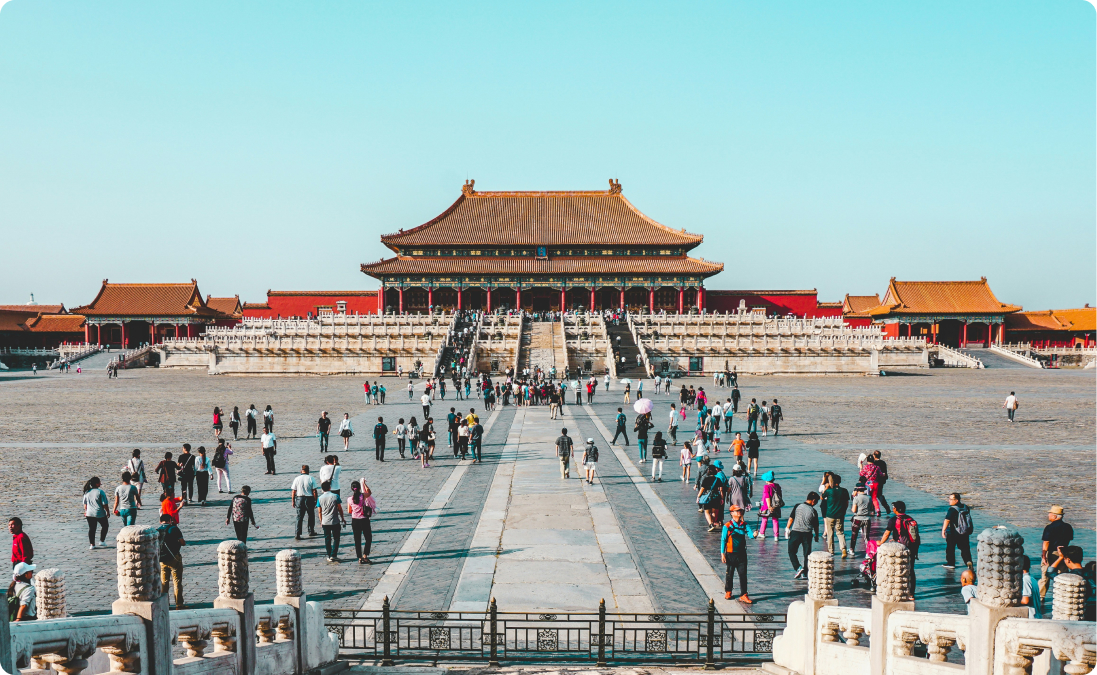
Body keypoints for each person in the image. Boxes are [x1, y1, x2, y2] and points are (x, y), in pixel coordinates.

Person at [878, 501, 920, 596]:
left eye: (894, 507)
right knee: (911, 569)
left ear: (896, 509)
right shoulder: (910, 518)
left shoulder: (893, 520)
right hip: (912, 547)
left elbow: (887, 533)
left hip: (900, 548)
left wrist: (881, 542)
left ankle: (898, 591)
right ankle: (912, 593)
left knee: (898, 569)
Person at [721, 505, 755, 603]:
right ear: (732, 513)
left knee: (743, 575)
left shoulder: (744, 524)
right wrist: (722, 553)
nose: (739, 512)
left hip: (742, 554)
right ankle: (728, 591)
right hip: (731, 554)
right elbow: (723, 540)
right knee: (730, 574)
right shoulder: (727, 526)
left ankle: (744, 594)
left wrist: (755, 534)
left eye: (740, 510)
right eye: (736, 511)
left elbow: (751, 536)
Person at [1039, 504, 1073, 601]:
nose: (1048, 515)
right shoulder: (1068, 527)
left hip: (1051, 553)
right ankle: (1064, 594)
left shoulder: (1049, 527)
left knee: (1045, 575)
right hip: (1063, 553)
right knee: (1063, 574)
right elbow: (1069, 540)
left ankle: (1041, 596)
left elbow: (1046, 542)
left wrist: (1044, 556)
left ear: (1054, 516)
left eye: (1050, 513)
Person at [787, 492, 820, 579]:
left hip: (796, 532)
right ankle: (805, 573)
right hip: (807, 534)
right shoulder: (814, 511)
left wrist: (787, 528)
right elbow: (816, 525)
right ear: (813, 501)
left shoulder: (798, 506)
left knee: (791, 551)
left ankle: (798, 567)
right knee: (807, 554)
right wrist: (816, 535)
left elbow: (791, 518)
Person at [158, 513, 186, 609]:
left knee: (164, 582)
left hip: (162, 560)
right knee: (177, 582)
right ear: (170, 521)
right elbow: (183, 543)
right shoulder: (174, 529)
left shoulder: (157, 531)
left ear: (160, 521)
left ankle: (165, 604)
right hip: (174, 558)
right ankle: (179, 604)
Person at [941, 492, 974, 570]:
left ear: (956, 500)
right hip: (964, 531)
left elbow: (947, 520)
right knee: (965, 548)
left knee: (950, 548)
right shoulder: (965, 507)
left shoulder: (952, 509)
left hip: (953, 531)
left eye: (951, 499)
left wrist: (943, 530)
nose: (949, 501)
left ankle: (951, 563)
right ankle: (968, 561)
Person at [821, 475, 850, 558]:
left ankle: (831, 550)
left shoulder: (829, 491)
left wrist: (826, 488)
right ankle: (843, 548)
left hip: (830, 514)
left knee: (830, 533)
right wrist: (843, 511)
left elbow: (822, 497)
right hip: (840, 514)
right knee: (840, 532)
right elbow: (846, 503)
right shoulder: (844, 491)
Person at [317, 481, 346, 562]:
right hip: (335, 520)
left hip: (325, 521)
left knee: (327, 539)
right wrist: (342, 518)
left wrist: (321, 521)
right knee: (336, 538)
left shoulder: (320, 498)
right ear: (330, 488)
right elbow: (339, 508)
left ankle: (329, 555)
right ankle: (334, 554)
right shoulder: (335, 496)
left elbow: (319, 511)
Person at [291, 466, 319, 540]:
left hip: (299, 498)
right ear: (308, 471)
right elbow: (314, 491)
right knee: (311, 515)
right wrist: (316, 500)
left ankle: (297, 533)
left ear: (301, 471)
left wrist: (293, 501)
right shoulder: (311, 478)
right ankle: (311, 530)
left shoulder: (297, 479)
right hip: (309, 498)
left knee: (299, 517)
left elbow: (294, 491)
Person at [348, 481, 373, 564]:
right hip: (364, 519)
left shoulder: (349, 499)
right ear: (359, 488)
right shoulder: (362, 496)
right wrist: (364, 484)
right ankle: (365, 555)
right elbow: (369, 492)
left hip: (355, 520)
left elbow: (349, 511)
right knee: (368, 538)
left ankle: (359, 557)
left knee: (357, 540)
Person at [82, 477, 111, 549]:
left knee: (92, 529)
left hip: (89, 513)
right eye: (99, 482)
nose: (100, 483)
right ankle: (102, 540)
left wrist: (85, 511)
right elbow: (104, 504)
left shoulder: (87, 492)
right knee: (105, 526)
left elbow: (85, 504)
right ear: (96, 483)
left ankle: (92, 544)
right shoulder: (100, 492)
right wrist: (107, 511)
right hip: (99, 512)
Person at [757, 472, 783, 541]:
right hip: (776, 505)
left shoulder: (766, 487)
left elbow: (767, 497)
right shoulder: (777, 486)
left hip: (766, 506)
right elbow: (780, 495)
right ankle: (776, 536)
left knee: (764, 519)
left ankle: (762, 533)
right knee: (775, 520)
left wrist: (769, 506)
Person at [848, 485, 872, 554]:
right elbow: (871, 508)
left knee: (854, 535)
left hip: (857, 518)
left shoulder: (856, 498)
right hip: (867, 518)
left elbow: (854, 510)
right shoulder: (869, 498)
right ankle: (869, 551)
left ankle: (852, 550)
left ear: (857, 491)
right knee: (866, 536)